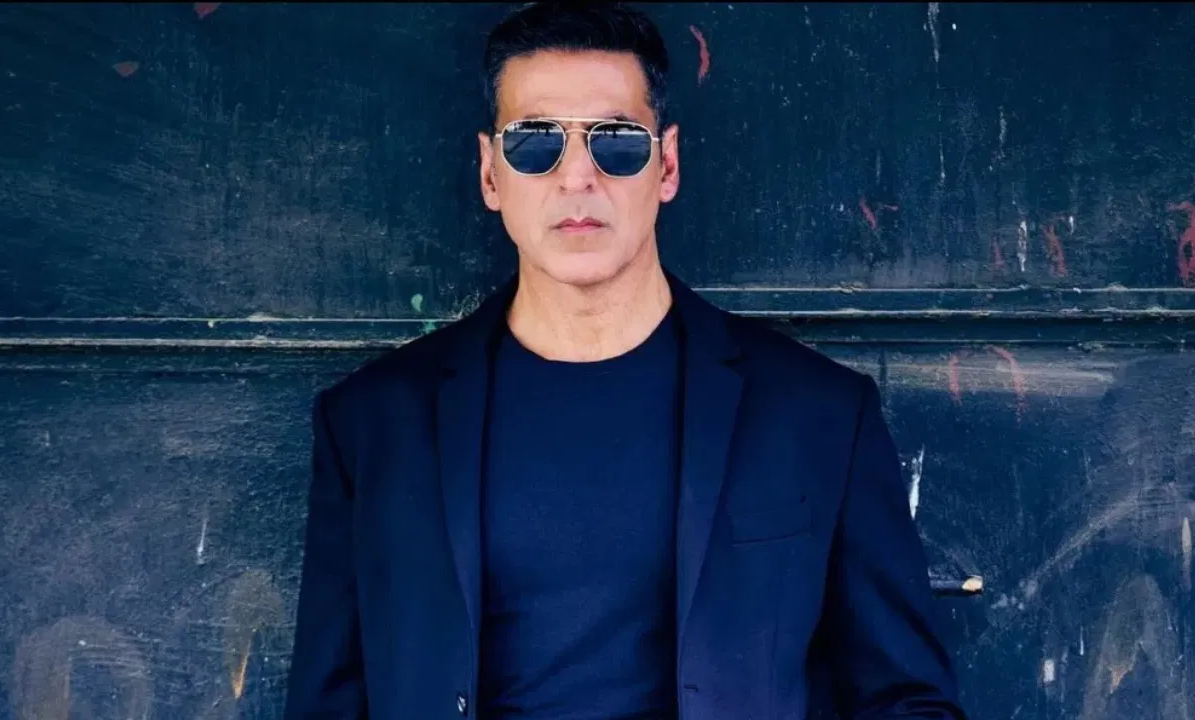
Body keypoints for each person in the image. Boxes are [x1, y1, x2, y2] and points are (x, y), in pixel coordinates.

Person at [283, 2, 967, 718]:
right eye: (535, 143)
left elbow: (908, 700)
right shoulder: (373, 425)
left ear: (666, 164)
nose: (577, 176)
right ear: (490, 173)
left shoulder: (817, 413)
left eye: (615, 142)